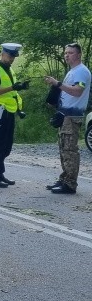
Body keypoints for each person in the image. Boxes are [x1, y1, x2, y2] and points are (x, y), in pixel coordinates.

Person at [44, 42, 91, 195]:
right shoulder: (72, 71)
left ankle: (70, 184)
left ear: (78, 55)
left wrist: (58, 84)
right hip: (64, 114)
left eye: (70, 53)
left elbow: (77, 91)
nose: (67, 55)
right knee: (63, 149)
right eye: (66, 53)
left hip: (72, 116)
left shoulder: (81, 72)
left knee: (70, 150)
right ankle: (64, 178)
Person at [0, 43, 29, 187]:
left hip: (8, 111)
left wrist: (19, 92)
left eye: (13, 57)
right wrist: (12, 87)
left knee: (6, 145)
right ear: (2, 53)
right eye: (9, 56)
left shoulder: (9, 70)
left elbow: (11, 93)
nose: (11, 59)